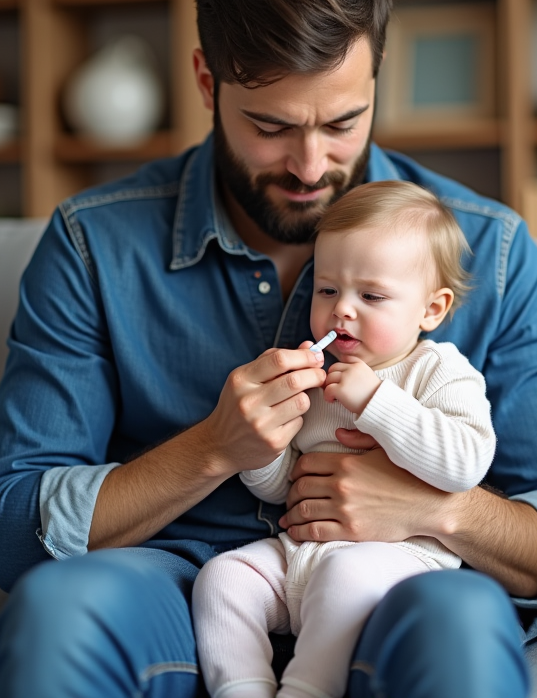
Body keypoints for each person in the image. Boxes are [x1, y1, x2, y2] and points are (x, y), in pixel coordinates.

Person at [0, 0, 537, 698]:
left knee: (460, 628)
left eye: (342, 123)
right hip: (177, 583)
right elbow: (11, 523)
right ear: (209, 84)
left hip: (402, 581)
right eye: (271, 126)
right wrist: (212, 449)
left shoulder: (493, 252)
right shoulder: (92, 246)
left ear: (376, 78)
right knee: (56, 614)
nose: (311, 167)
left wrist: (436, 510)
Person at [193, 181, 497, 698]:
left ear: (432, 309)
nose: (342, 311)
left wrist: (377, 402)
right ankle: (241, 688)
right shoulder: (317, 379)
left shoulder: (439, 370)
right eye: (328, 290)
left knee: (346, 575)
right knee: (222, 578)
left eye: (371, 296)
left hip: (397, 562)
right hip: (301, 556)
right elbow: (278, 489)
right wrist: (263, 446)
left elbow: (465, 465)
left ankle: (308, 689)